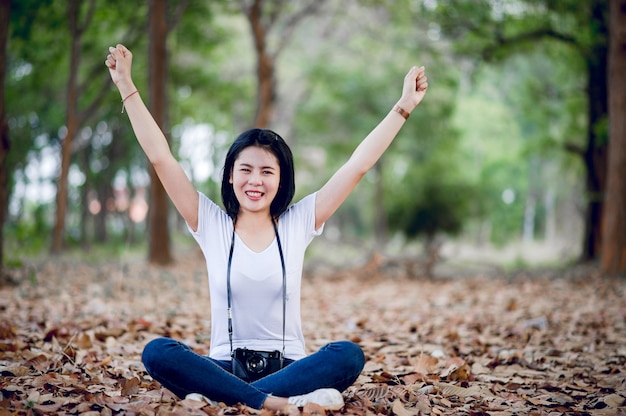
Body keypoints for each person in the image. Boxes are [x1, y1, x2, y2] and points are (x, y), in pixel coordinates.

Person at [105, 43, 428, 412]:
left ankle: (230, 399)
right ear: (230, 176)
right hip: (224, 366)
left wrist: (403, 107)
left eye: (266, 171)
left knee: (347, 355)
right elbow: (160, 158)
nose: (254, 181)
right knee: (158, 351)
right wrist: (126, 86)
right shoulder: (211, 223)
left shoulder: (298, 223)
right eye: (245, 169)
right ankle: (275, 402)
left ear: (281, 180)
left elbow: (357, 167)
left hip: (289, 365)